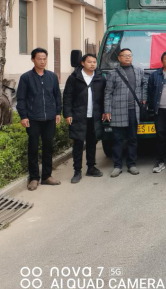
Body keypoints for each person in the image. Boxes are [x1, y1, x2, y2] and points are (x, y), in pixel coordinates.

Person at [16, 48, 62, 191]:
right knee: (33, 148)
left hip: (50, 118)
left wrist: (58, 112)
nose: (42, 61)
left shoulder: (52, 77)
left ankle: (47, 176)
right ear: (33, 60)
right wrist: (23, 116)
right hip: (33, 118)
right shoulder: (26, 77)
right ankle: (34, 178)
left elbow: (57, 96)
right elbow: (21, 98)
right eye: (39, 58)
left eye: (44, 58)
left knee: (48, 147)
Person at [103, 48, 147, 177]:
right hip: (118, 110)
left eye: (129, 55)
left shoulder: (139, 71)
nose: (127, 57)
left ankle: (131, 164)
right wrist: (107, 110)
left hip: (134, 110)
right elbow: (108, 93)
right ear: (119, 58)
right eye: (125, 55)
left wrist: (144, 97)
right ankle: (117, 166)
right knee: (117, 139)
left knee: (133, 139)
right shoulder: (113, 73)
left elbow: (144, 85)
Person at [63, 53, 105, 183]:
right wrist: (68, 114)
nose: (92, 64)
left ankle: (91, 167)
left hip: (94, 116)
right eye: (89, 62)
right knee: (78, 144)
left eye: (94, 62)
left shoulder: (100, 78)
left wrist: (104, 112)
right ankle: (77, 171)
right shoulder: (74, 78)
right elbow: (67, 96)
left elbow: (104, 97)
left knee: (92, 143)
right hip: (78, 115)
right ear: (82, 63)